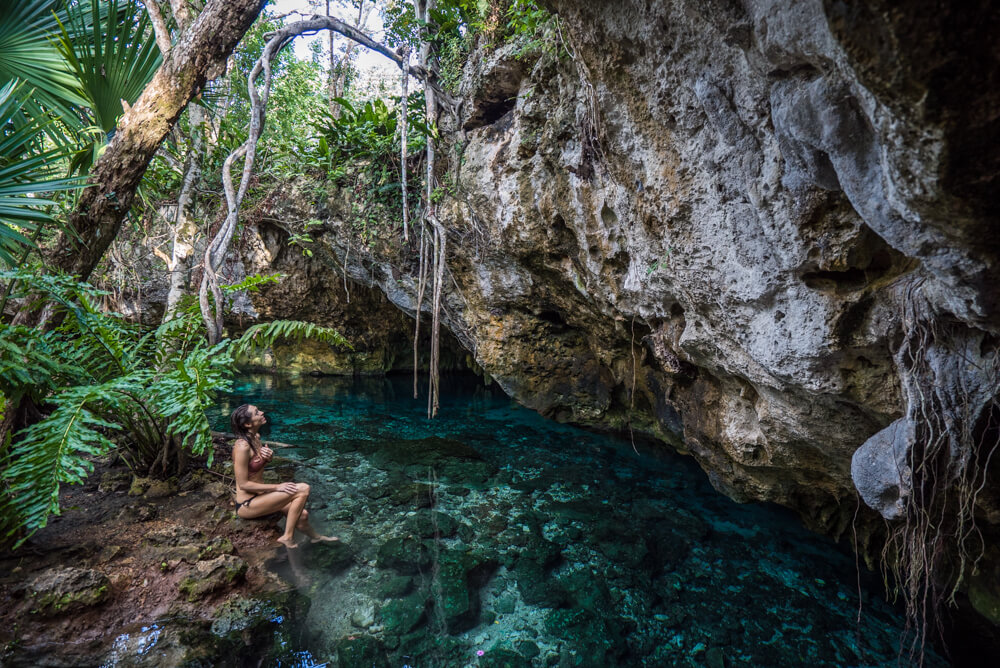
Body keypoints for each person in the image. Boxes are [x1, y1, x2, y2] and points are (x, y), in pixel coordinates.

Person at [230, 404, 337, 547]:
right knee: (303, 489)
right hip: (247, 504)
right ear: (248, 423)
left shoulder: (256, 437)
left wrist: (267, 459)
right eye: (257, 413)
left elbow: (254, 470)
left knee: (303, 515)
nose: (262, 412)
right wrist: (277, 487)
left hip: (261, 495)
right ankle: (287, 537)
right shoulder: (241, 447)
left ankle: (316, 537)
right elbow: (243, 484)